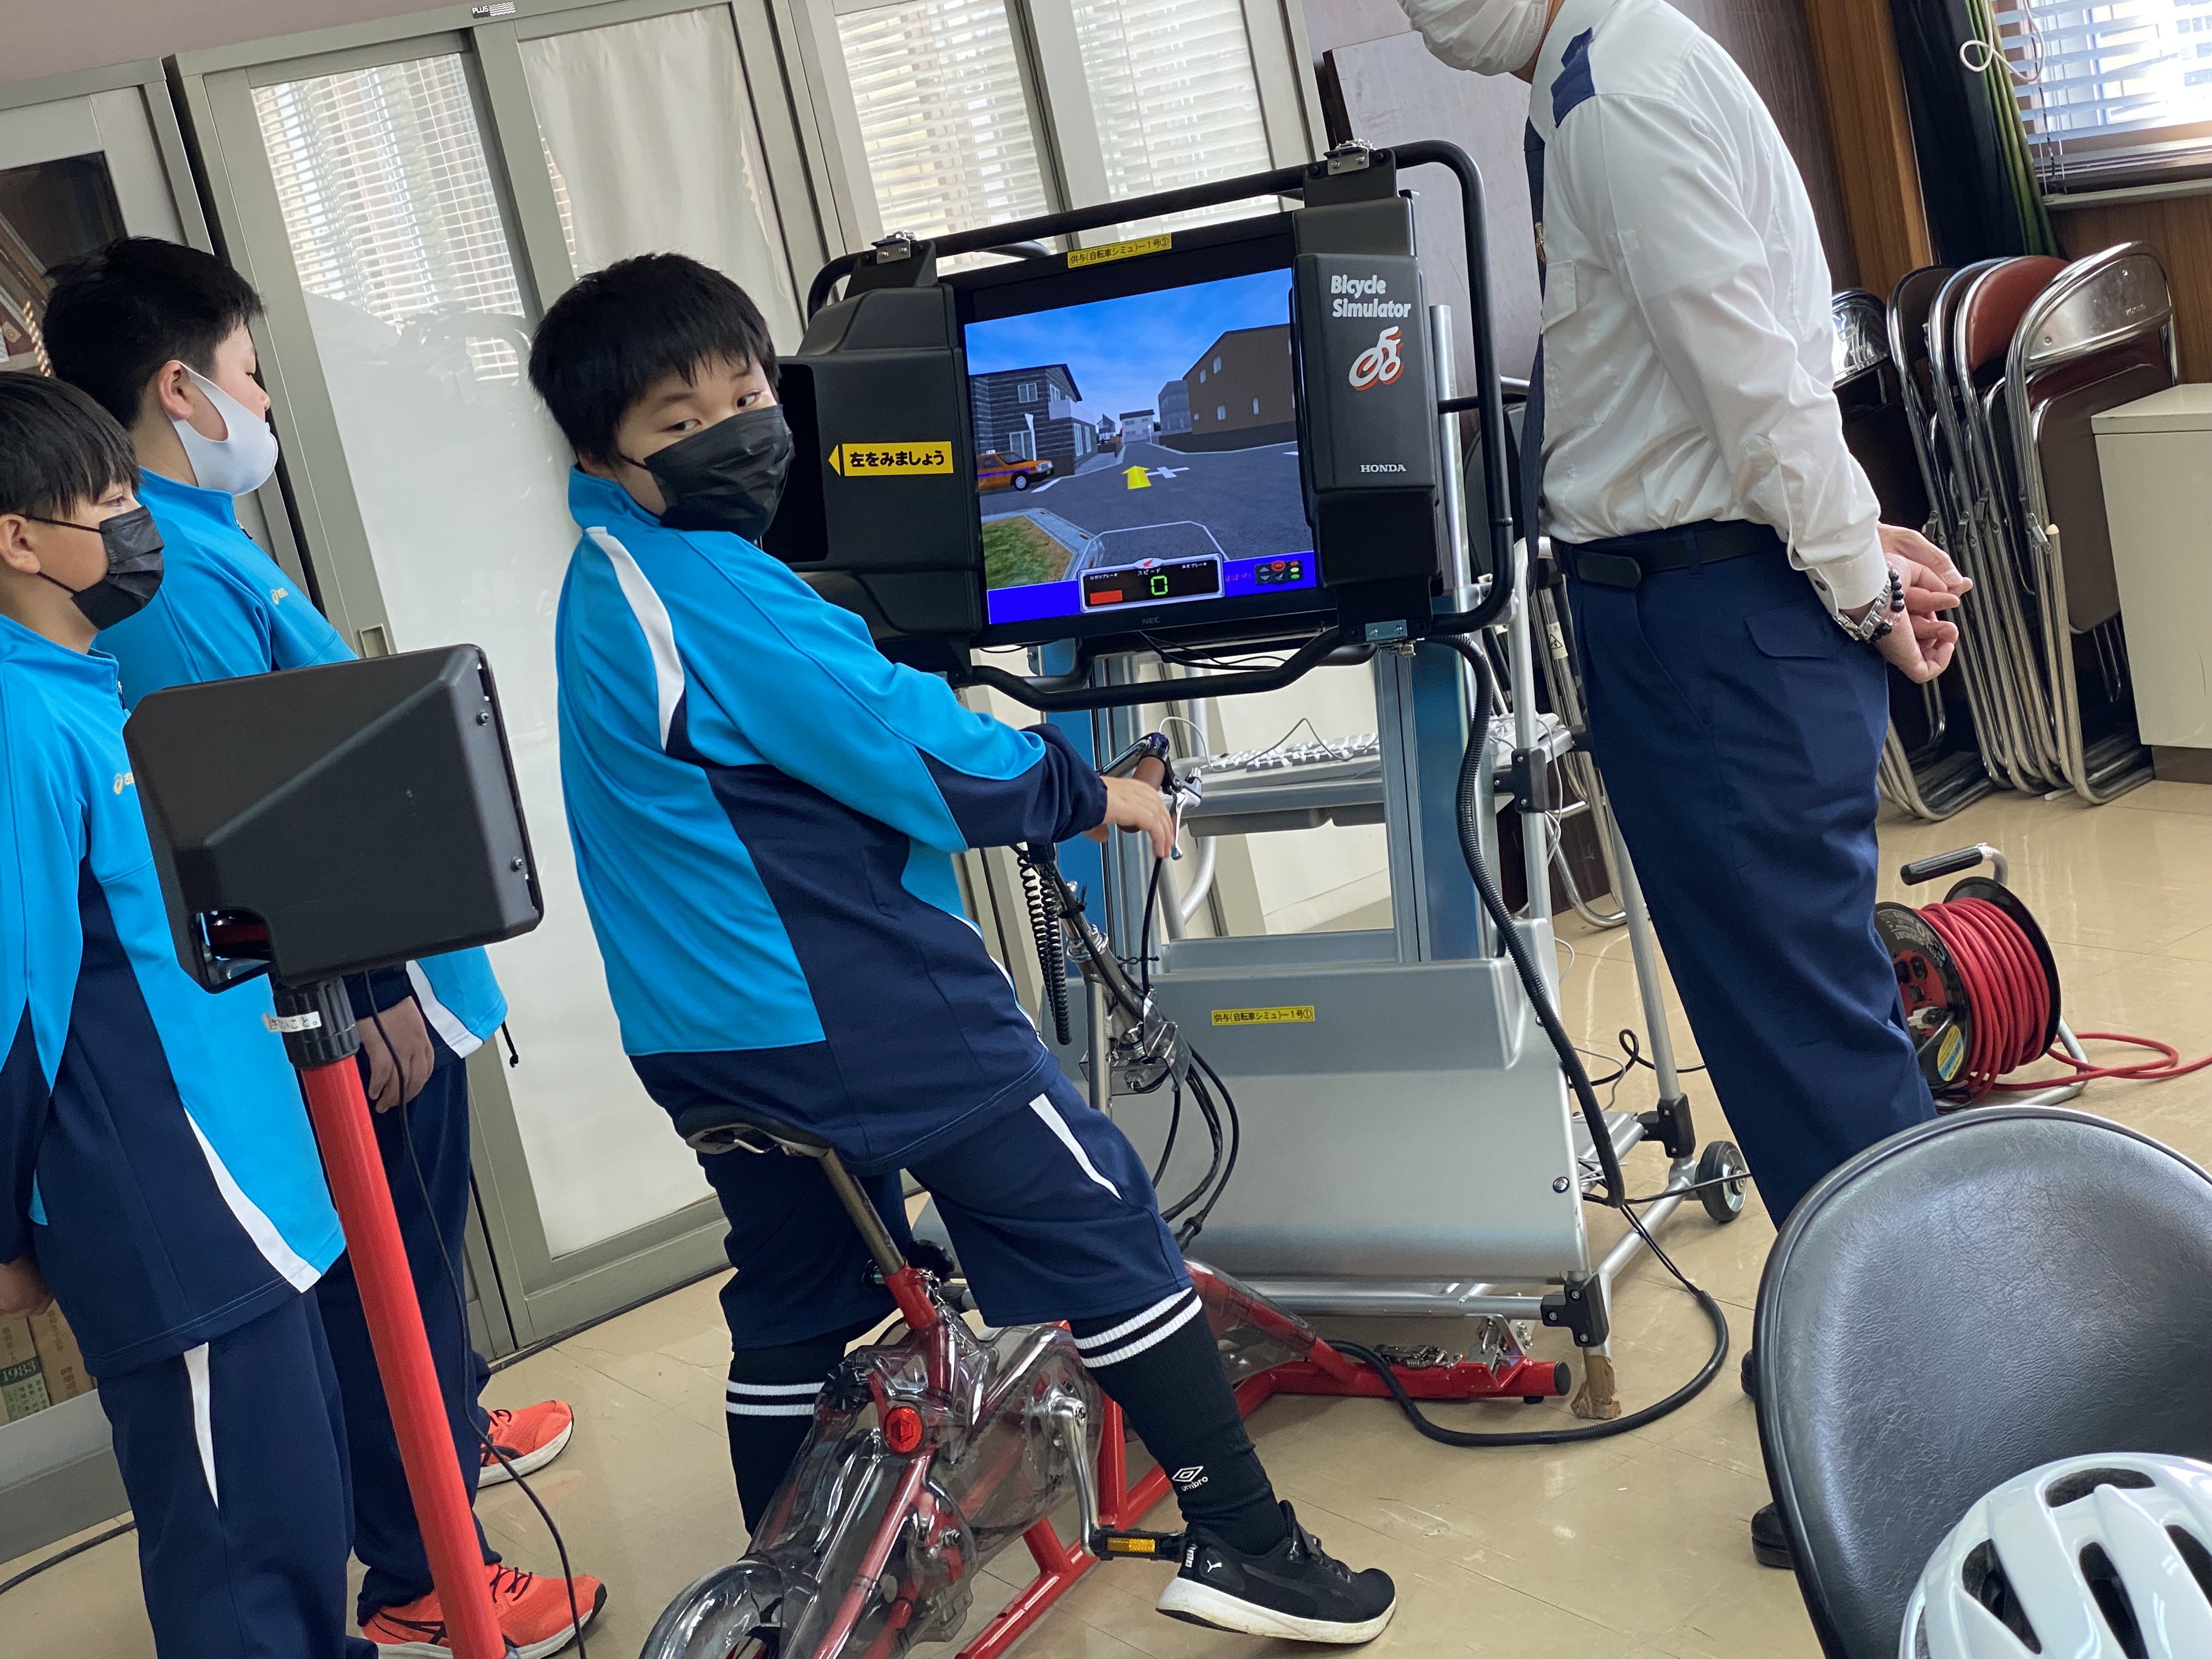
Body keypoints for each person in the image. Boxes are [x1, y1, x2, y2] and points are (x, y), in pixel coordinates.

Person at [527, 252, 1396, 1644]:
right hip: (849, 1010)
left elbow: (810, 741)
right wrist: (1093, 791)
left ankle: (789, 1603)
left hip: (700, 1033)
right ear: (604, 458)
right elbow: (918, 755)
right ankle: (1248, 1544)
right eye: (680, 423)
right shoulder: (713, 587)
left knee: (800, 1294)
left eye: (745, 395)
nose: (734, 432)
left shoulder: (603, 581)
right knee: (1101, 1215)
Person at [1395, 0, 1967, 1570]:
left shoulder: (1617, 93)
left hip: (1714, 630)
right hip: (1711, 598)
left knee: (1808, 1051)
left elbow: (1755, 386)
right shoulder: (1606, 69)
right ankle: (1886, 1350)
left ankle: (1926, 1430)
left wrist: (1859, 583)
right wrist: (1847, 544)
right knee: (1802, 1033)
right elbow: (1737, 370)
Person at [42, 238, 602, 1657]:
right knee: (377, 1292)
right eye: (248, 374)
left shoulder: (193, 537)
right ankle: (425, 1559)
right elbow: (266, 833)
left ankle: (445, 1435)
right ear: (181, 388)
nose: (264, 405)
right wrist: (372, 989)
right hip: (341, 1011)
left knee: (412, 1277)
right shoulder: (154, 594)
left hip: (390, 982)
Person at [0, 370, 373, 1659]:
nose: (137, 525)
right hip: (172, 1204)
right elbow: (14, 1009)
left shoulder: (79, 687)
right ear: (19, 538)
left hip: (244, 1177)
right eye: (111, 502)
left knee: (298, 1512)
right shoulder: (17, 722)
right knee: (239, 1559)